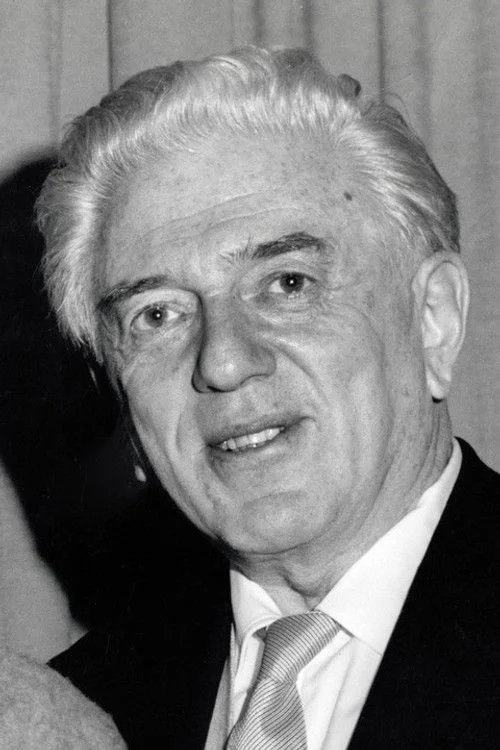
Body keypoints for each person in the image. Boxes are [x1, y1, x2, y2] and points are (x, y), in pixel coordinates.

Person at [36, 47, 499, 748]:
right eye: (157, 315)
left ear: (433, 319)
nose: (222, 361)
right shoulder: (75, 715)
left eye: (287, 284)